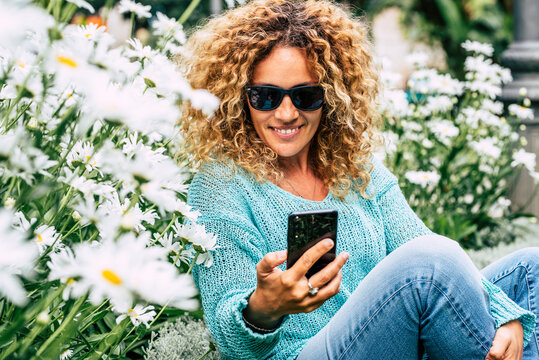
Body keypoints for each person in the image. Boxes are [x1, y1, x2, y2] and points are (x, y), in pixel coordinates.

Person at [178, 0, 538, 359]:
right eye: (266, 96)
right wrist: (265, 309)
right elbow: (231, 339)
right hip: (299, 354)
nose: (286, 113)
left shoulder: (356, 169)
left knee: (530, 270)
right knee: (431, 263)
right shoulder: (219, 186)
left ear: (332, 97)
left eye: (306, 96)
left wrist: (505, 313)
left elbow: (418, 242)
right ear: (240, 99)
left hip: (382, 341)